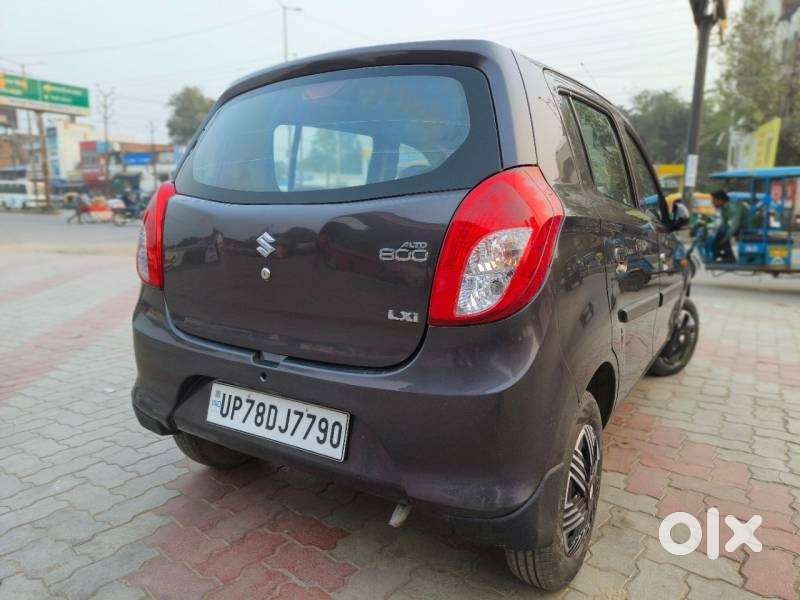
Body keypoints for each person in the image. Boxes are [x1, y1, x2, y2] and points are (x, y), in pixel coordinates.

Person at [710, 189, 747, 262]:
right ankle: (719, 254)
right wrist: (714, 232)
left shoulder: (733, 207)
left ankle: (730, 257)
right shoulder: (724, 209)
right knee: (719, 233)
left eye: (714, 200)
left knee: (723, 234)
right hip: (740, 228)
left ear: (720, 200)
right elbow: (724, 224)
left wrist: (725, 238)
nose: (712, 203)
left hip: (747, 228)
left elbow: (734, 225)